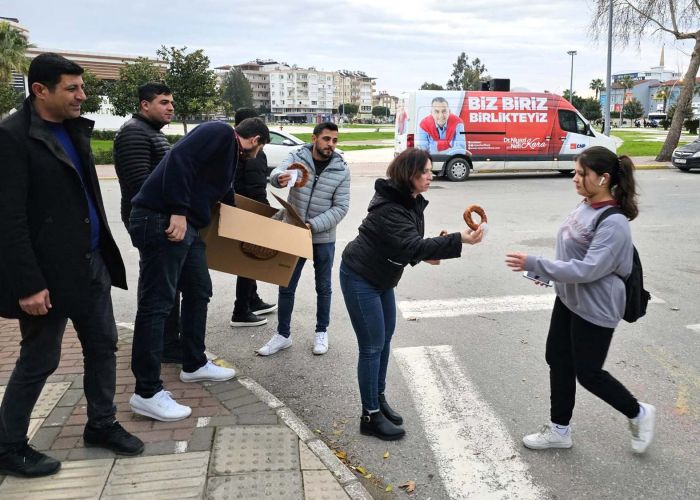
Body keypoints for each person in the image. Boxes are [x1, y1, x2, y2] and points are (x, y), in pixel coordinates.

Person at [0, 53, 144, 477]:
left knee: (102, 345)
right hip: (48, 276)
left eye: (82, 87)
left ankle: (101, 424)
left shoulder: (72, 129)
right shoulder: (12, 137)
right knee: (39, 359)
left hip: (92, 264)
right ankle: (8, 446)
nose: (82, 96)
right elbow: (8, 220)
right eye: (72, 88)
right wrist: (28, 284)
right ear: (39, 90)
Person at [505, 146, 656, 454]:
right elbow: (571, 254)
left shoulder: (614, 223)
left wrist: (537, 264)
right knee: (557, 359)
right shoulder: (585, 204)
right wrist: (547, 275)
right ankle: (560, 430)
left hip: (596, 308)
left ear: (603, 179)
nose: (574, 178)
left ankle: (639, 412)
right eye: (575, 171)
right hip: (569, 299)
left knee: (588, 372)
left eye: (581, 173)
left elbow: (589, 269)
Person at [128, 117, 270, 422]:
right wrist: (178, 211)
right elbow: (179, 159)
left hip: (188, 226)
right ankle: (146, 392)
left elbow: (225, 198)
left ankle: (194, 364)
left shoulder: (228, 155)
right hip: (163, 219)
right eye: (259, 149)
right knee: (157, 305)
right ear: (256, 140)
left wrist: (254, 230)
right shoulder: (219, 132)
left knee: (199, 290)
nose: (255, 156)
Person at [340, 148, 483, 440]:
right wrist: (458, 241)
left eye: (430, 171)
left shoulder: (410, 200)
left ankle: (377, 399)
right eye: (424, 172)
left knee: (385, 339)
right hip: (360, 276)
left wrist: (433, 250)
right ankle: (369, 416)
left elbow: (408, 245)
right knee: (371, 346)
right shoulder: (389, 207)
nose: (431, 176)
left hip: (382, 278)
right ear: (409, 174)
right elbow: (411, 245)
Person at [257, 122, 350, 357]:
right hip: (294, 232)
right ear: (314, 138)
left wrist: (313, 226)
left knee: (324, 287)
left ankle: (321, 332)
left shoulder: (341, 169)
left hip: (323, 237)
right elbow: (277, 173)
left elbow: (341, 208)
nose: (331, 144)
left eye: (334, 141)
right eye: (326, 139)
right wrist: (278, 179)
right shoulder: (297, 156)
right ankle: (282, 335)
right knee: (286, 284)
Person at [113, 82, 183, 363]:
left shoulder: (149, 132)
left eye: (171, 102)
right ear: (145, 104)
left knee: (166, 288)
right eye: (164, 102)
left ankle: (166, 343)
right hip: (151, 221)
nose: (170, 107)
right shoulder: (133, 133)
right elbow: (141, 185)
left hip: (160, 220)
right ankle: (156, 350)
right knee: (157, 292)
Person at [229, 108, 277, 327]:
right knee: (249, 262)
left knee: (246, 259)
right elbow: (257, 189)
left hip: (237, 208)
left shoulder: (232, 150)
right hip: (249, 212)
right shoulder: (253, 153)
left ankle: (252, 300)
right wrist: (267, 216)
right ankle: (241, 310)